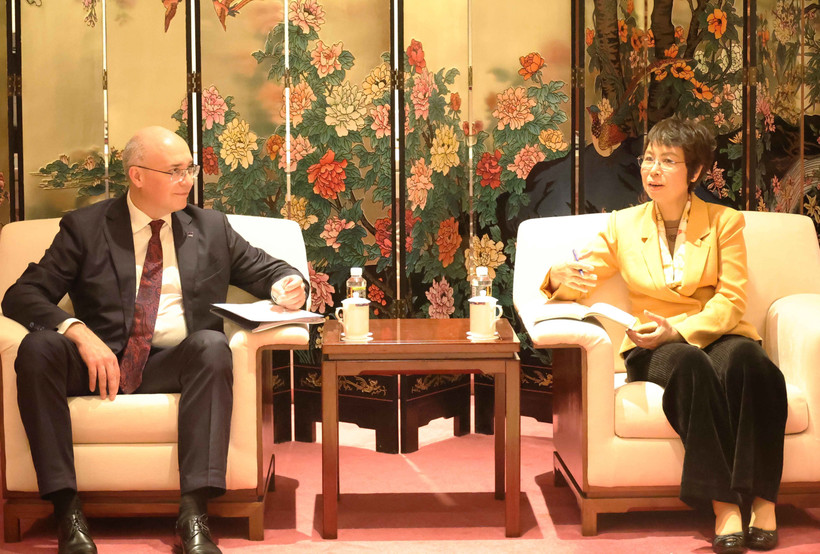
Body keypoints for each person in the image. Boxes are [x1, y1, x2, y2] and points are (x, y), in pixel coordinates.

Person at [1, 126, 307, 554]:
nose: (189, 180)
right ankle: (67, 509)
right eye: (176, 170)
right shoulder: (85, 228)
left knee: (211, 345)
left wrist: (289, 286)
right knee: (38, 348)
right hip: (100, 365)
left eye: (191, 169)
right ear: (137, 176)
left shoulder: (210, 228)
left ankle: (194, 514)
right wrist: (76, 330)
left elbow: (272, 271)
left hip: (172, 365)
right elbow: (21, 295)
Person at [542, 117, 787, 554]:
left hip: (716, 333)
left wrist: (681, 328)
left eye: (667, 161)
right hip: (651, 344)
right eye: (648, 159)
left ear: (693, 173)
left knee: (756, 364)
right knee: (690, 364)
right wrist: (556, 277)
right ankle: (724, 505)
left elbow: (731, 301)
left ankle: (764, 501)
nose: (652, 170)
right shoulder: (621, 225)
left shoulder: (725, 223)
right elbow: (581, 275)